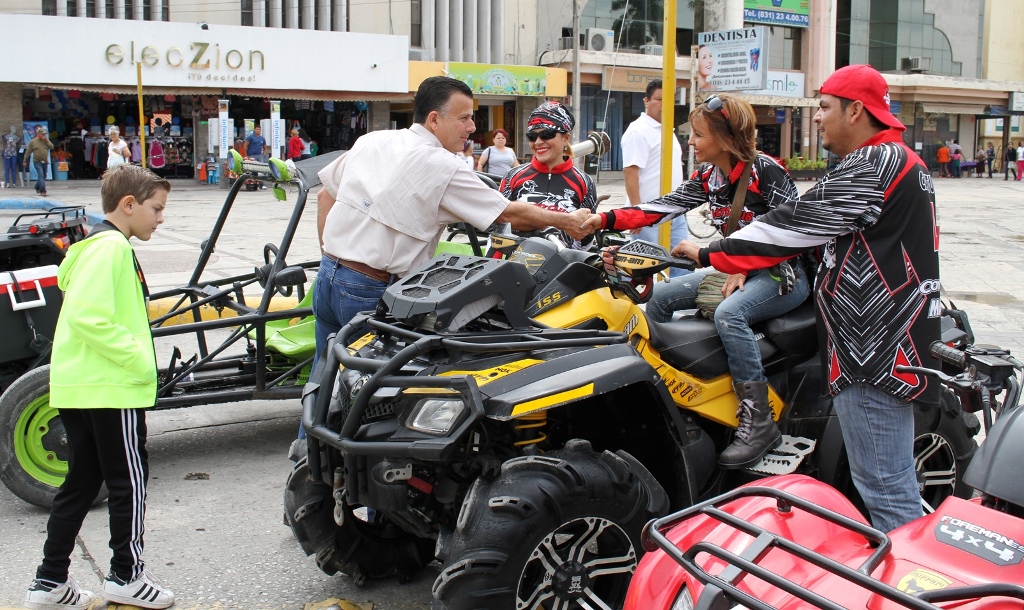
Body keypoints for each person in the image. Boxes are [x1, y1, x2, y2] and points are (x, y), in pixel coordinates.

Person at [673, 64, 939, 533]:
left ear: (855, 111)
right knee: (887, 486)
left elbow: (791, 223)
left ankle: (911, 576)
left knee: (886, 490)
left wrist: (710, 253)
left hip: (874, 353)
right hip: (882, 346)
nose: (816, 117)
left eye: (824, 107)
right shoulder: (896, 161)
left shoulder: (874, 164)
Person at [312, 76, 592, 383]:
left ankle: (309, 417)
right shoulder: (443, 165)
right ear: (434, 119)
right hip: (369, 289)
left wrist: (332, 257)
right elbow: (508, 213)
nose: (472, 127)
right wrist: (566, 220)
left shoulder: (373, 140)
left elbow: (325, 196)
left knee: (324, 377)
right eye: (464, 118)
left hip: (328, 277)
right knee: (368, 388)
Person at [584, 93, 808, 469]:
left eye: (699, 135)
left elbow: (792, 235)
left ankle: (759, 422)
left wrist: (732, 261)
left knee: (730, 315)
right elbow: (661, 207)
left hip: (781, 274)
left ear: (727, 137)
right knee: (659, 298)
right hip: (731, 266)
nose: (690, 142)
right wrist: (606, 219)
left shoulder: (766, 172)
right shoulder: (709, 176)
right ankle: (666, 397)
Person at [24, 164, 175, 610]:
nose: (160, 218)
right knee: (129, 482)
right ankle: (126, 575)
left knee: (81, 483)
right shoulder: (111, 248)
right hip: (110, 387)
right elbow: (90, 317)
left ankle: (49, 583)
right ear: (128, 205)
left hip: (82, 386)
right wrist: (137, 360)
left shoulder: (92, 247)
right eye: (156, 209)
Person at [498, 101, 598, 250]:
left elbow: (585, 239)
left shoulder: (584, 181)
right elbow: (497, 225)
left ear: (566, 138)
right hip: (514, 261)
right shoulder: (512, 176)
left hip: (562, 262)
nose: (538, 142)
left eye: (546, 134)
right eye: (532, 136)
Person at [621, 79, 690, 277]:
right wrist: (637, 214)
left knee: (682, 265)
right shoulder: (638, 130)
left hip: (675, 212)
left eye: (669, 100)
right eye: (659, 99)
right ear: (646, 101)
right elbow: (630, 172)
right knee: (645, 271)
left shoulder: (667, 130)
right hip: (649, 214)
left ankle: (675, 299)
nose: (664, 105)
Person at [23, 126, 53, 196]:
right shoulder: (33, 142)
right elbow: (28, 152)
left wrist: (46, 141)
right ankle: (43, 191)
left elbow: (52, 147)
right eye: (42, 134)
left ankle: (36, 186)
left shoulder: (46, 141)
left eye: (44, 134)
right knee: (41, 175)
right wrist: (25, 161)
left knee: (43, 176)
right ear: (38, 134)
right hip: (37, 162)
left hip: (45, 161)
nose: (44, 136)